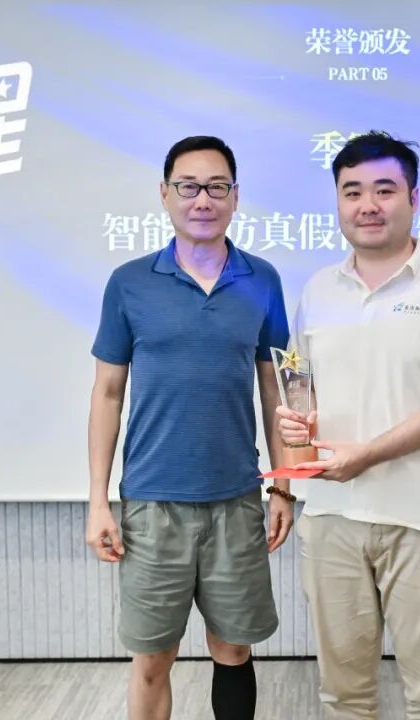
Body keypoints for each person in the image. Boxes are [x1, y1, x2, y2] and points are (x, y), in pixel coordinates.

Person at [277, 131, 420, 719]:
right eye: (352, 192)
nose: (367, 205)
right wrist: (295, 424)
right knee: (343, 696)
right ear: (338, 201)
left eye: (384, 190)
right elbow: (302, 388)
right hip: (332, 518)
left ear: (414, 198)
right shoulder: (318, 290)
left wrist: (368, 454)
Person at [86, 135, 295, 720]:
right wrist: (97, 502)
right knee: (153, 658)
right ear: (165, 194)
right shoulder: (129, 282)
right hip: (153, 505)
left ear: (235, 196)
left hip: (237, 500)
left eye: (216, 187)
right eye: (189, 186)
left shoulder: (263, 280)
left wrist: (283, 486)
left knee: (234, 649)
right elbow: (107, 394)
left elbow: (276, 389)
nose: (203, 199)